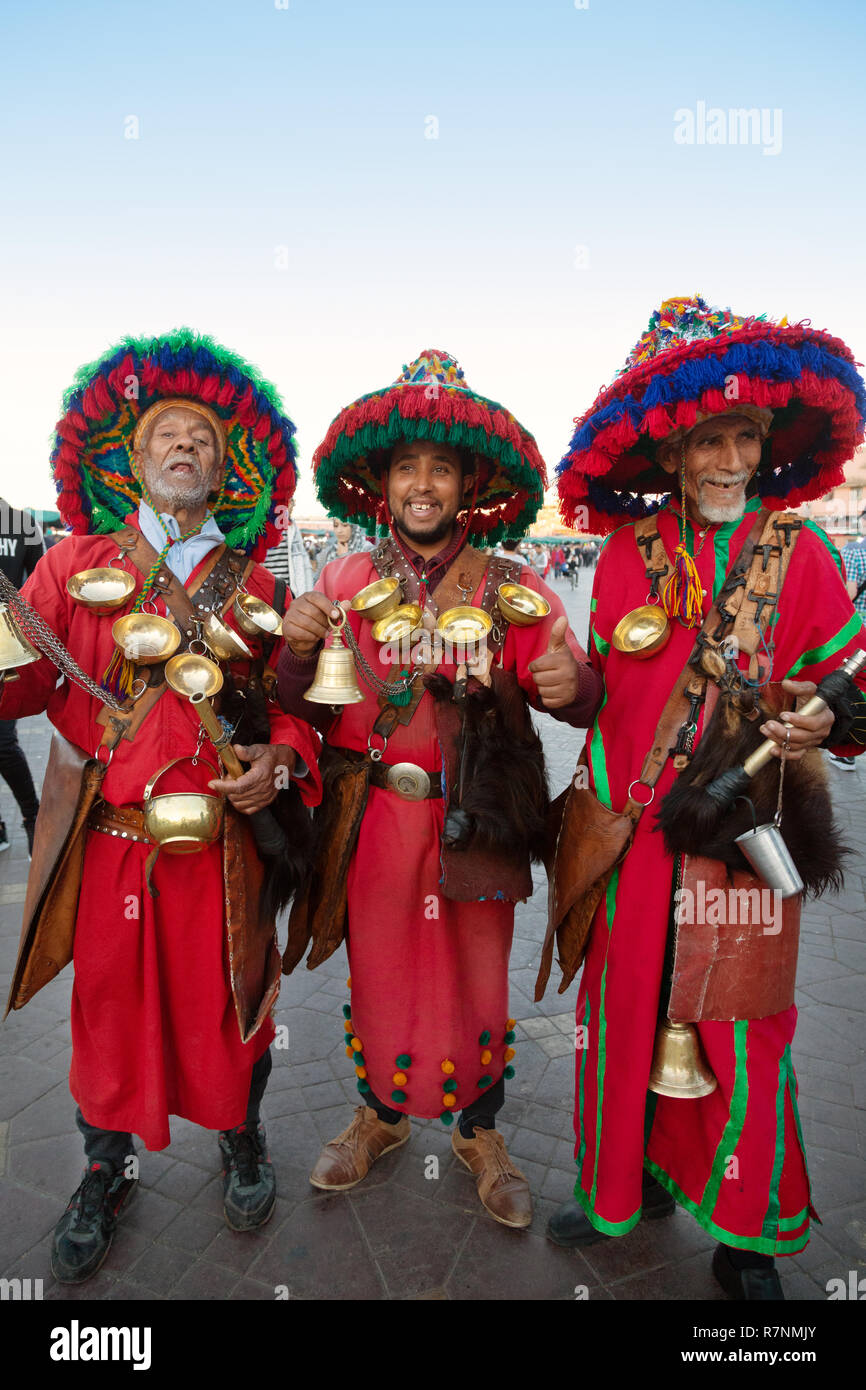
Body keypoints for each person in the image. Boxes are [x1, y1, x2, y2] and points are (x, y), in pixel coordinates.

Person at [546, 296, 866, 1298]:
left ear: (764, 444)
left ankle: (749, 1231)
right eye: (706, 439)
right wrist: (568, 689)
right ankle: (623, 1187)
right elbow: (608, 690)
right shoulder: (619, 557)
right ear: (672, 450)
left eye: (743, 436)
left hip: (743, 834)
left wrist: (825, 717)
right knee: (625, 1013)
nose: (726, 457)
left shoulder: (804, 555)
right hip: (631, 835)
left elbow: (841, 691)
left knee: (740, 1029)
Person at [3, 330, 321, 1283]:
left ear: (226, 470)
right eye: (165, 435)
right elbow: (15, 690)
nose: (185, 445)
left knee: (239, 1006)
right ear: (132, 461)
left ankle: (243, 1139)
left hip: (231, 851)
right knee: (105, 1011)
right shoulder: (71, 567)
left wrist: (279, 759)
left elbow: (303, 717)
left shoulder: (261, 585)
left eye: (203, 439)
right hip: (110, 845)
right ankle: (106, 1168)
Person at [278, 348, 602, 1228]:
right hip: (378, 811)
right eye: (407, 466)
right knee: (378, 968)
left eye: (442, 468)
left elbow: (574, 694)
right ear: (382, 482)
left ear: (468, 483)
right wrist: (300, 645)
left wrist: (580, 685)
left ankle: (479, 1131)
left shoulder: (515, 586)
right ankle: (380, 1117)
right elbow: (291, 699)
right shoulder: (342, 577)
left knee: (477, 971)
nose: (424, 483)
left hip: (479, 816)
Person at [0, 499, 44, 852]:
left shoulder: (20, 523)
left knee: (3, 744)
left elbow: (41, 584)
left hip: (7, 650)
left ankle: (33, 817)